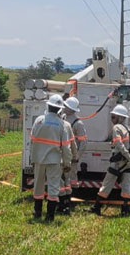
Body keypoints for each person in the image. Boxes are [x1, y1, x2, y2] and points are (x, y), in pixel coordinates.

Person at [88, 104, 130, 216]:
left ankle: (97, 207)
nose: (112, 120)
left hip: (117, 162)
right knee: (126, 185)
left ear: (121, 117)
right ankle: (125, 210)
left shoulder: (117, 128)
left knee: (107, 183)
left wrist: (128, 157)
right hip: (127, 163)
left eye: (114, 117)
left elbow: (119, 144)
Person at [30, 94, 72, 222]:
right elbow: (66, 146)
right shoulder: (61, 124)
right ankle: (50, 215)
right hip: (54, 160)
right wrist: (67, 162)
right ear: (60, 109)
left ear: (48, 106)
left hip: (38, 158)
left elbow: (32, 140)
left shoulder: (39, 120)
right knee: (53, 187)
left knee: (38, 185)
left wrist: (32, 158)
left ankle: (37, 211)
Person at [60, 97, 87, 210]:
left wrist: (77, 157)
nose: (64, 107)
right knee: (62, 178)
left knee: (72, 179)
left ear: (71, 109)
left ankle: (72, 200)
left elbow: (83, 142)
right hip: (61, 154)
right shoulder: (62, 118)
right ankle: (63, 200)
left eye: (66, 106)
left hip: (72, 156)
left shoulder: (78, 123)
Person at [57, 103, 78, 215]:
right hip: (67, 159)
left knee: (60, 183)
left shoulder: (59, 125)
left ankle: (62, 206)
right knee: (67, 181)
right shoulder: (68, 125)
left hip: (59, 159)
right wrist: (75, 156)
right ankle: (67, 205)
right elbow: (73, 144)